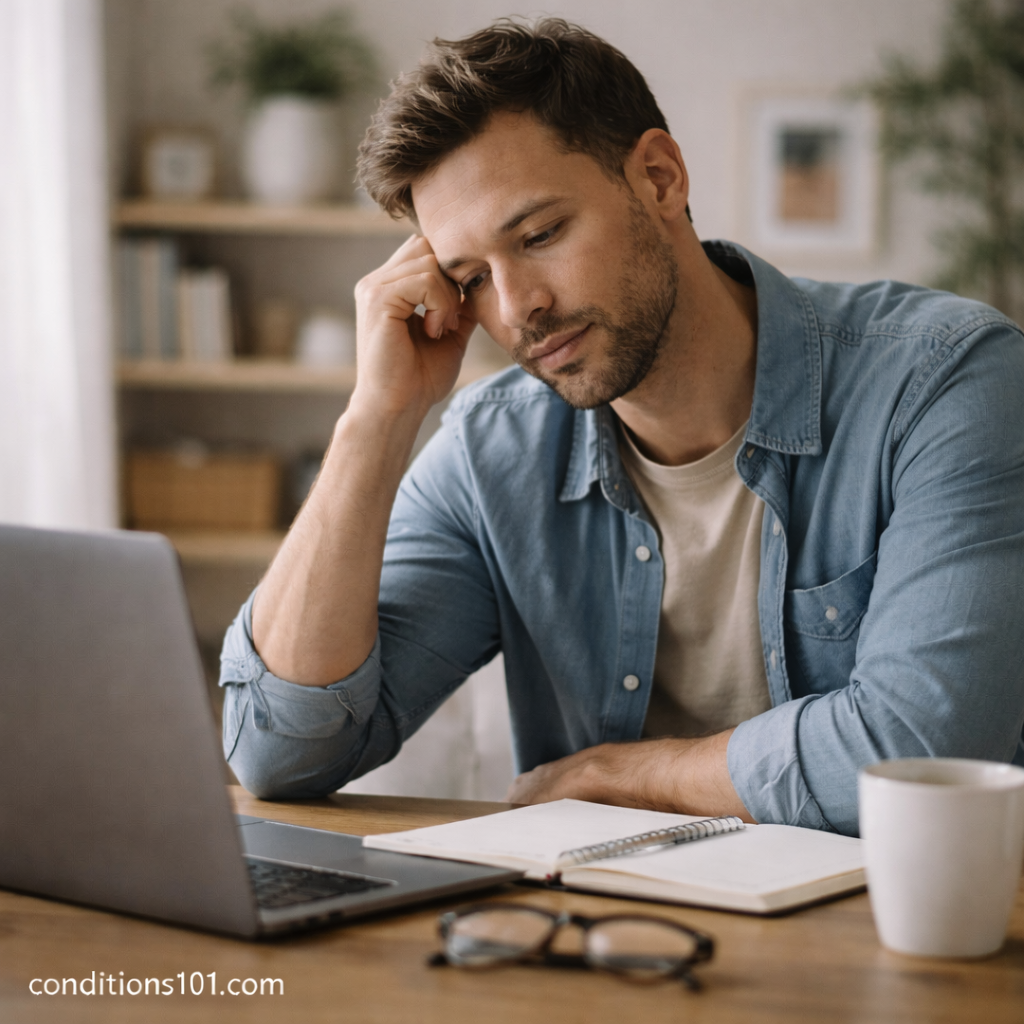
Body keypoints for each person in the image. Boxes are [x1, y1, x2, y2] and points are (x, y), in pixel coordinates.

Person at [219, 18, 1024, 837]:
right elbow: (280, 753)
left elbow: (920, 755)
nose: (517, 306)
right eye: (472, 279)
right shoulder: (492, 452)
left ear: (660, 178)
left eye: (539, 235)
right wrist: (375, 421)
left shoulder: (946, 381)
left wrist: (621, 772)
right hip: (600, 940)